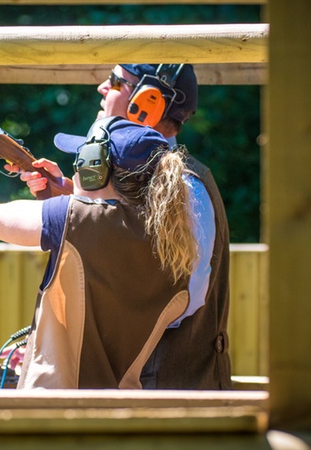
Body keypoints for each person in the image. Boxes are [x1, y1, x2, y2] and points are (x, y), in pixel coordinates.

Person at [0, 104, 197, 389]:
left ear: (95, 169)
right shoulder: (169, 244)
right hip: (120, 412)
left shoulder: (80, 219)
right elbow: (104, 224)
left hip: (56, 411)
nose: (76, 164)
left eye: (82, 158)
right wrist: (63, 192)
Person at [12, 63, 232, 390]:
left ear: (150, 101)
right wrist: (75, 199)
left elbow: (161, 295)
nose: (103, 87)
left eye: (116, 81)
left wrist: (78, 218)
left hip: (164, 398)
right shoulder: (165, 178)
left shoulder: (183, 187)